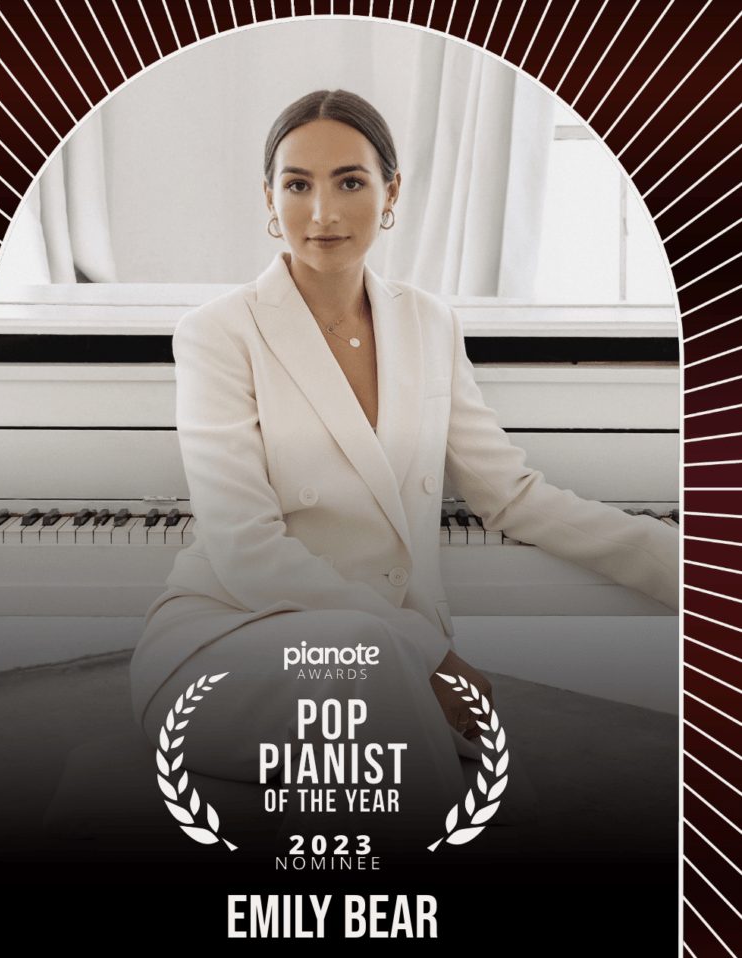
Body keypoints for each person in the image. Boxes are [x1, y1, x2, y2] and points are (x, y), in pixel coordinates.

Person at [130, 90, 678, 848]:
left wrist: (684, 565)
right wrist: (428, 652)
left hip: (390, 656)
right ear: (269, 198)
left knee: (382, 675)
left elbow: (510, 494)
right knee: (377, 660)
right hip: (230, 644)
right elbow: (244, 550)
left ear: (391, 192)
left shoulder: (429, 322)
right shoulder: (217, 333)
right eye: (297, 184)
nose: (322, 211)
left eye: (350, 181)